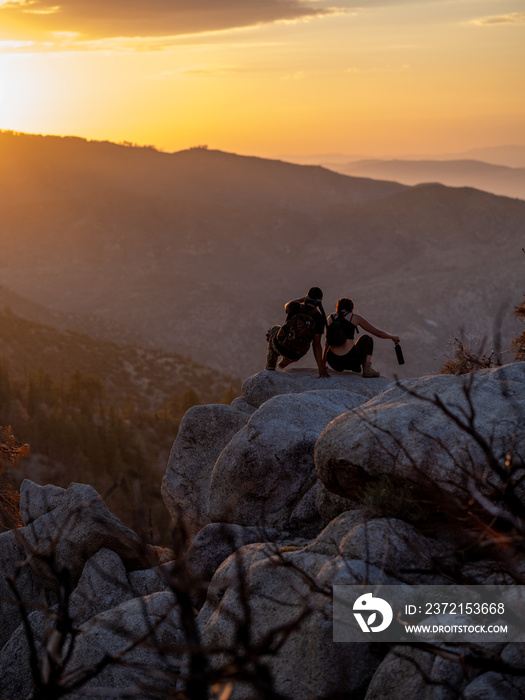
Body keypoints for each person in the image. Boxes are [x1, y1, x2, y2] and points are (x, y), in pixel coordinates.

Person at [323, 297, 399, 377]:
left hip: (334, 362)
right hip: (350, 359)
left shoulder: (330, 318)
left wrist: (322, 365)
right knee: (367, 339)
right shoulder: (354, 317)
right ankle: (367, 369)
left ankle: (356, 367)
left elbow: (327, 343)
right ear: (351, 307)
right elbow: (379, 333)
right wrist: (392, 337)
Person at [266, 287, 330, 378]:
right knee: (297, 343)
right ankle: (287, 359)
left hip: (282, 346)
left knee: (273, 329)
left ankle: (271, 364)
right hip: (297, 354)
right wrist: (321, 367)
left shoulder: (294, 306)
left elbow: (287, 305)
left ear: (307, 298)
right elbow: (316, 344)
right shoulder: (319, 318)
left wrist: (304, 298)